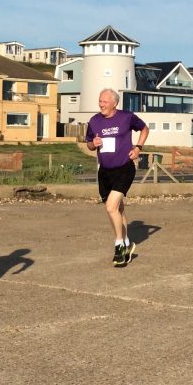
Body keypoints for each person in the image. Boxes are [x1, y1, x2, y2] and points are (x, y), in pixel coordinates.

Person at [85, 88, 149, 267]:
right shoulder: (94, 120)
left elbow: (144, 129)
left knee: (110, 207)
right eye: (100, 101)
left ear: (115, 103)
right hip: (105, 171)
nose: (101, 104)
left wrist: (138, 148)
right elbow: (89, 143)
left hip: (124, 168)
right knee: (118, 210)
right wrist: (93, 144)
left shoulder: (126, 117)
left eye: (105, 101)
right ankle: (127, 243)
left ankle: (119, 245)